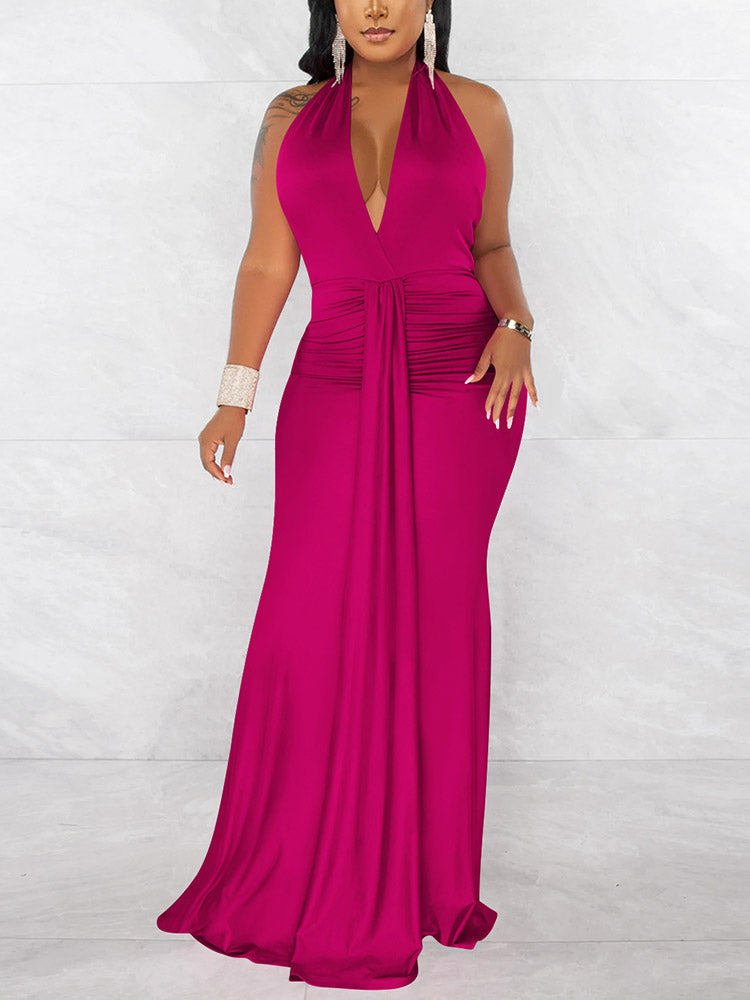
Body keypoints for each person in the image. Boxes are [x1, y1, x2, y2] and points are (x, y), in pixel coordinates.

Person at [156, 0, 538, 990]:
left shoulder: (480, 110)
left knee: (435, 617)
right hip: (331, 379)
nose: (375, 7)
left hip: (460, 382)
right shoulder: (289, 117)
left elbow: (492, 246)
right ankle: (300, 855)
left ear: (430, 3)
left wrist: (518, 327)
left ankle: (427, 876)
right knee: (307, 615)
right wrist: (233, 396)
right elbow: (267, 259)